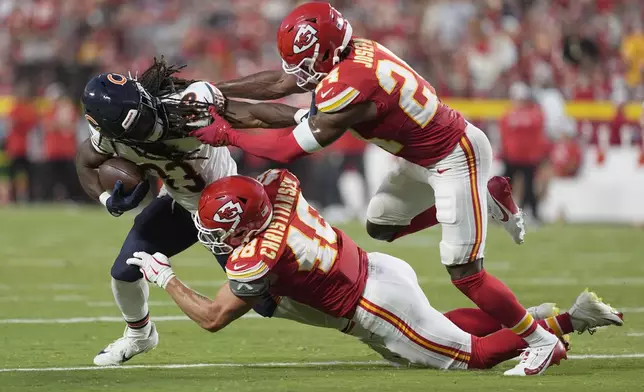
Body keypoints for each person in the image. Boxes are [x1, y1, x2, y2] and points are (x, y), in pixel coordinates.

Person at [191, 2, 559, 375]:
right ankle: (486, 196)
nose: (301, 72)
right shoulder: (351, 54)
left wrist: (227, 134)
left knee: (465, 272)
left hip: (453, 158)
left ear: (327, 50)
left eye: (306, 61)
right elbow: (285, 82)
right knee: (382, 224)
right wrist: (215, 93)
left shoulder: (349, 83)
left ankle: (541, 341)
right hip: (422, 159)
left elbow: (287, 148)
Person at [127, 169, 624, 373]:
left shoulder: (257, 256)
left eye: (224, 230)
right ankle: (537, 319)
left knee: (470, 358)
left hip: (373, 306)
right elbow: (264, 182)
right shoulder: (278, 187)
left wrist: (166, 277)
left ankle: (563, 324)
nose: (219, 239)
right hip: (378, 268)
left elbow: (214, 316)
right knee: (444, 328)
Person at [76, 58, 350, 367]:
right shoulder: (108, 138)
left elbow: (252, 115)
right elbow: (85, 161)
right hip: (180, 204)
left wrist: (302, 116)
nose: (146, 124)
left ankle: (350, 315)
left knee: (265, 302)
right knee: (124, 271)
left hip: (228, 209)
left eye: (143, 111)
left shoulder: (184, 105)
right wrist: (105, 199)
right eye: (134, 124)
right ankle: (139, 335)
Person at [498, 82, 548, 222]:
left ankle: (531, 213)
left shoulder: (532, 114)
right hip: (512, 157)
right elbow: (504, 136)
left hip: (528, 158)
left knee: (529, 187)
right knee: (504, 187)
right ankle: (499, 212)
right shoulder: (511, 114)